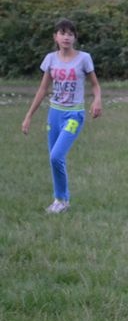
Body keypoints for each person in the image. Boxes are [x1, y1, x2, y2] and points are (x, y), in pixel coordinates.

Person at [21, 18, 102, 214]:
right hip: (54, 114)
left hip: (74, 114)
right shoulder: (50, 59)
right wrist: (29, 116)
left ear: (75, 38)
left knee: (56, 155)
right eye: (62, 33)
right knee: (54, 159)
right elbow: (42, 89)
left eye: (70, 34)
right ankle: (60, 200)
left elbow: (95, 85)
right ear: (55, 37)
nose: (66, 37)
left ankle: (62, 200)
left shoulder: (84, 58)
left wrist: (97, 100)